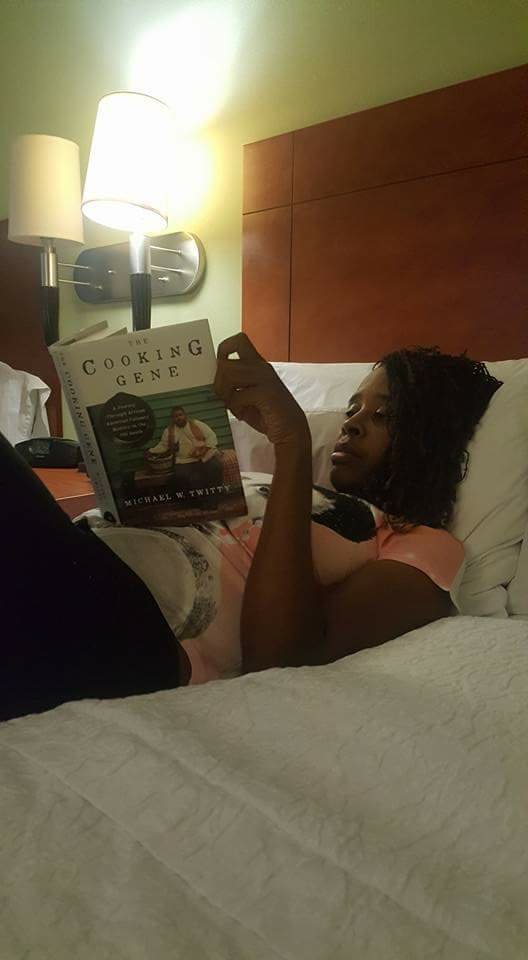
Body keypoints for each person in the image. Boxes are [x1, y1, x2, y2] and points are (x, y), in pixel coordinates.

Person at [0, 335, 501, 721]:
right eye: (352, 408)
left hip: (127, 629)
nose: (351, 424)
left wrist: (292, 444)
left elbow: (280, 658)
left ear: (429, 435)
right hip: (76, 558)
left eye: (383, 415)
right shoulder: (257, 479)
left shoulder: (419, 542)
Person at [146, 405, 223, 506]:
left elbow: (211, 436)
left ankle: (213, 499)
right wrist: (151, 451)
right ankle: (198, 502)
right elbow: (163, 445)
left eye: (180, 415)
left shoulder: (196, 424)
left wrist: (206, 448)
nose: (178, 418)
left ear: (185, 415)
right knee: (182, 476)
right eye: (175, 416)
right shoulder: (169, 431)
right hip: (183, 461)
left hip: (203, 457)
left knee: (215, 467)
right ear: (172, 419)